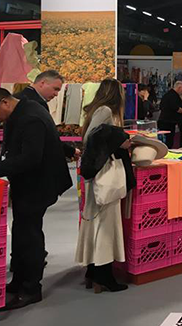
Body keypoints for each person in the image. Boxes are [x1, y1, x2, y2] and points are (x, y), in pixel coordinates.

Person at [0, 87, 72, 310]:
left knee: (30, 236)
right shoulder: (22, 111)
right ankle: (18, 281)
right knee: (21, 232)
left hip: (39, 185)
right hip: (28, 183)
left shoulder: (30, 118)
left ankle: (31, 288)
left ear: (5, 102)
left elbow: (31, 158)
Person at [76, 79, 130, 293]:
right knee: (105, 224)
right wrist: (119, 140)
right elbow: (93, 139)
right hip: (104, 174)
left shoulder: (97, 110)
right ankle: (103, 275)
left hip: (97, 174)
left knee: (97, 221)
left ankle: (94, 271)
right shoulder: (106, 111)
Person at [15, 70, 78, 160]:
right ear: (42, 83)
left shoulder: (17, 97)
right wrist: (70, 151)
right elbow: (47, 136)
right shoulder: (37, 103)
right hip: (29, 158)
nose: (56, 94)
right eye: (55, 89)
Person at [157, 81, 182, 149]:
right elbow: (176, 108)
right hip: (167, 122)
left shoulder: (168, 94)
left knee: (167, 141)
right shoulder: (173, 96)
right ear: (179, 88)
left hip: (166, 121)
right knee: (168, 141)